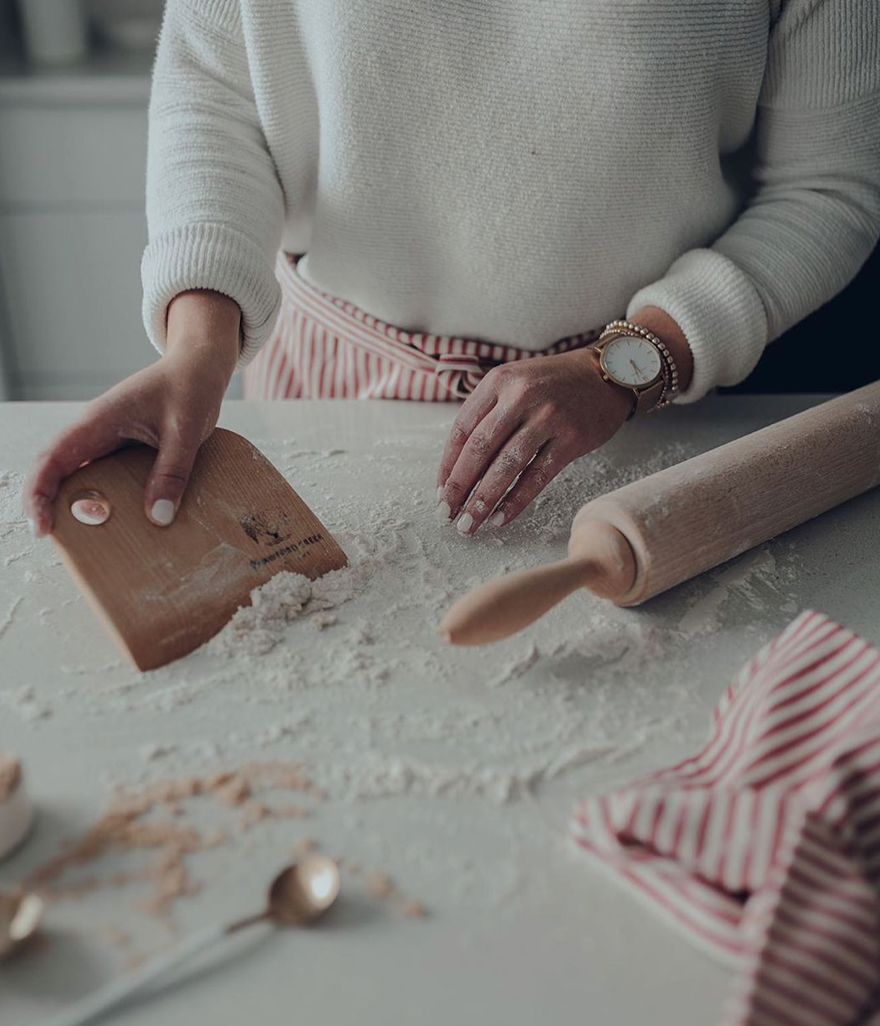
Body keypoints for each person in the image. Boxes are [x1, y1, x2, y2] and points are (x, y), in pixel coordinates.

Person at [24, 0, 880, 538]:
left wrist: (622, 367)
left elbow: (830, 188)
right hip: (327, 391)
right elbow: (217, 92)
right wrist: (196, 351)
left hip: (646, 410)